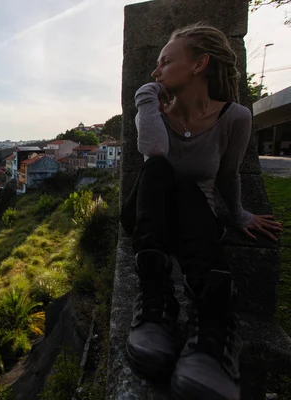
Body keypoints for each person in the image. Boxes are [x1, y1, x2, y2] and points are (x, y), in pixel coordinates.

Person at [120, 22, 283, 400]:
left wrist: (239, 214)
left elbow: (228, 176)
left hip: (196, 220)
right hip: (150, 216)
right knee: (160, 171)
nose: (154, 72)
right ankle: (154, 302)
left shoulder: (236, 117)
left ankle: (212, 323)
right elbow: (156, 155)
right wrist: (146, 99)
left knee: (192, 191)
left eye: (164, 62)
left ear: (199, 65)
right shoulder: (155, 111)